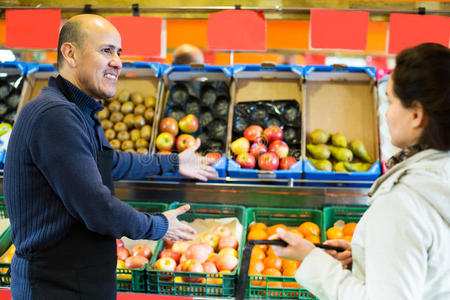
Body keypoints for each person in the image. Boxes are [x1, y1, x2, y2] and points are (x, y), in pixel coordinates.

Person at [3, 14, 217, 299]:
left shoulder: (78, 111)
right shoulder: (55, 115)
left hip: (75, 280)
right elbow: (97, 208)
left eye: (119, 52)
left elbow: (109, 162)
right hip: (55, 285)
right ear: (70, 53)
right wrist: (157, 225)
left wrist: (174, 162)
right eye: (106, 51)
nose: (117, 61)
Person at [273, 43, 450, 299]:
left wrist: (312, 259)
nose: (386, 115)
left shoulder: (402, 203)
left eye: (390, 102)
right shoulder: (438, 179)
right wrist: (366, 258)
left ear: (416, 115)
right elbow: (432, 270)